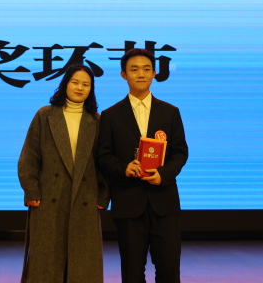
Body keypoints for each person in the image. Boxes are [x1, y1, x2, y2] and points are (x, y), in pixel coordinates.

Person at [96, 48, 188, 283]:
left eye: (147, 69)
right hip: (128, 202)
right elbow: (103, 155)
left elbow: (180, 152)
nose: (141, 74)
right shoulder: (110, 115)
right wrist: (124, 168)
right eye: (134, 69)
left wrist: (164, 174)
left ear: (154, 73)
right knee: (132, 272)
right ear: (123, 75)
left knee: (169, 270)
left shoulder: (170, 112)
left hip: (164, 202)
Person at [18, 64, 110, 283]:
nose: (80, 88)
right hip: (48, 199)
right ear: (65, 84)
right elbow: (29, 156)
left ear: (91, 89)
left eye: (86, 84)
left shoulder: (96, 121)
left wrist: (103, 195)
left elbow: (103, 163)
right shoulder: (45, 115)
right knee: (46, 264)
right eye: (75, 82)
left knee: (83, 265)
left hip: (85, 199)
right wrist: (31, 190)